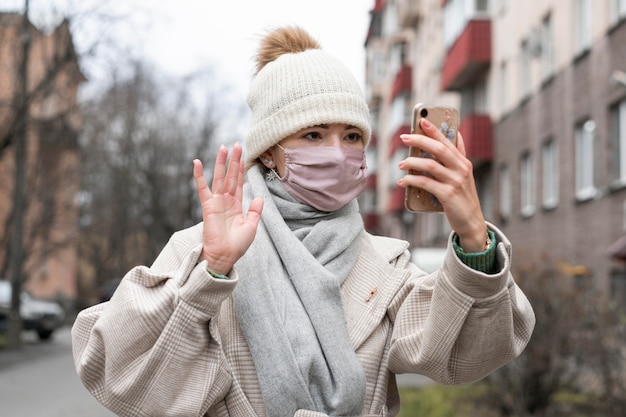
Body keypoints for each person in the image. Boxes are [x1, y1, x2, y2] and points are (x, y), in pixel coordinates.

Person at [72, 26, 535, 417]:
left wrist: (474, 235)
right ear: (270, 151)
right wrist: (210, 274)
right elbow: (123, 378)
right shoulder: (199, 249)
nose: (336, 152)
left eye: (351, 135)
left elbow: (466, 354)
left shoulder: (384, 264)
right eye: (313, 134)